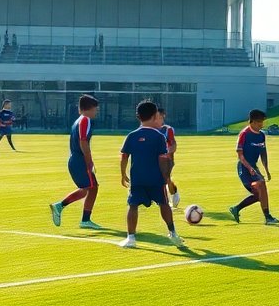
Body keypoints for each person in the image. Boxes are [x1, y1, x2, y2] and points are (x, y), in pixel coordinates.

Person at [117, 100, 184, 249]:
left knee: (133, 205)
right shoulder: (159, 137)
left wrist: (123, 174)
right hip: (156, 179)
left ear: (138, 117)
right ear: (155, 116)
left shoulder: (132, 135)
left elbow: (124, 156)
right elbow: (162, 159)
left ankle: (131, 238)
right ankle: (173, 233)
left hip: (138, 179)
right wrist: (166, 177)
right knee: (164, 204)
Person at [50, 94, 102, 229]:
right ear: (89, 108)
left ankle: (85, 220)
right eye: (96, 109)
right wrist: (89, 161)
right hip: (80, 160)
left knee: (93, 187)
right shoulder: (85, 119)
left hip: (76, 159)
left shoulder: (79, 120)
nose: (97, 111)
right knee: (86, 189)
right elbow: (83, 141)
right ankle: (60, 206)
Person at [229, 109, 279, 225]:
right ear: (251, 122)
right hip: (243, 168)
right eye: (258, 122)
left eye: (262, 122)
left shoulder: (261, 135)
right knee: (261, 185)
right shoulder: (244, 134)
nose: (261, 125)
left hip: (253, 167)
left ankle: (236, 209)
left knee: (259, 193)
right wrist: (249, 168)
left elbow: (263, 153)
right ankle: (268, 217)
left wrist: (266, 169)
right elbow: (240, 156)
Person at [154, 104, 181, 207]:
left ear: (163, 116)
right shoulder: (151, 128)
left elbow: (173, 144)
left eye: (160, 116)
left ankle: (172, 194)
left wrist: (168, 152)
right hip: (154, 159)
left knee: (165, 179)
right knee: (159, 179)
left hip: (167, 160)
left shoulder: (167, 129)